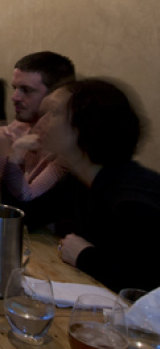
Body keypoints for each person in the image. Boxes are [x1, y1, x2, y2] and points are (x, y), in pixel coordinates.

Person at [40, 79, 160, 292]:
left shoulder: (134, 198)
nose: (42, 122)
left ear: (85, 126)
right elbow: (27, 213)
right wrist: (10, 157)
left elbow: (143, 283)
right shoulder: (79, 179)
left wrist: (84, 256)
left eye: (54, 113)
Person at [0, 51, 76, 227]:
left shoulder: (64, 148)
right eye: (15, 88)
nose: (14, 97)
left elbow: (21, 206)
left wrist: (6, 155)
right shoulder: (19, 127)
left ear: (55, 95)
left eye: (26, 90)